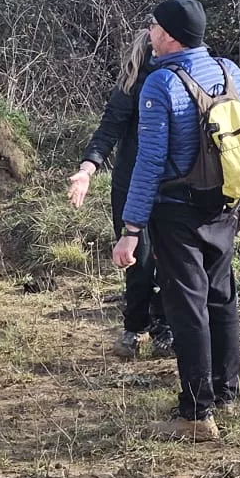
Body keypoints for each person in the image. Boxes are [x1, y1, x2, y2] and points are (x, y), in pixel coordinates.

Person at [112, 0, 240, 443]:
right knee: (220, 296)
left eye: (153, 26)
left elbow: (149, 164)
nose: (149, 33)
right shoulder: (232, 73)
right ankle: (227, 393)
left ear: (169, 35)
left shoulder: (161, 85)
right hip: (226, 203)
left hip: (178, 213)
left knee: (187, 307)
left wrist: (131, 229)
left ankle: (196, 413)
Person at [69, 30, 173, 359]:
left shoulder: (180, 84)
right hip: (133, 185)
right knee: (140, 259)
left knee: (158, 260)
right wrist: (87, 169)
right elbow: (109, 129)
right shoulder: (132, 87)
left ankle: (157, 326)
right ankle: (139, 327)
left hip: (163, 187)